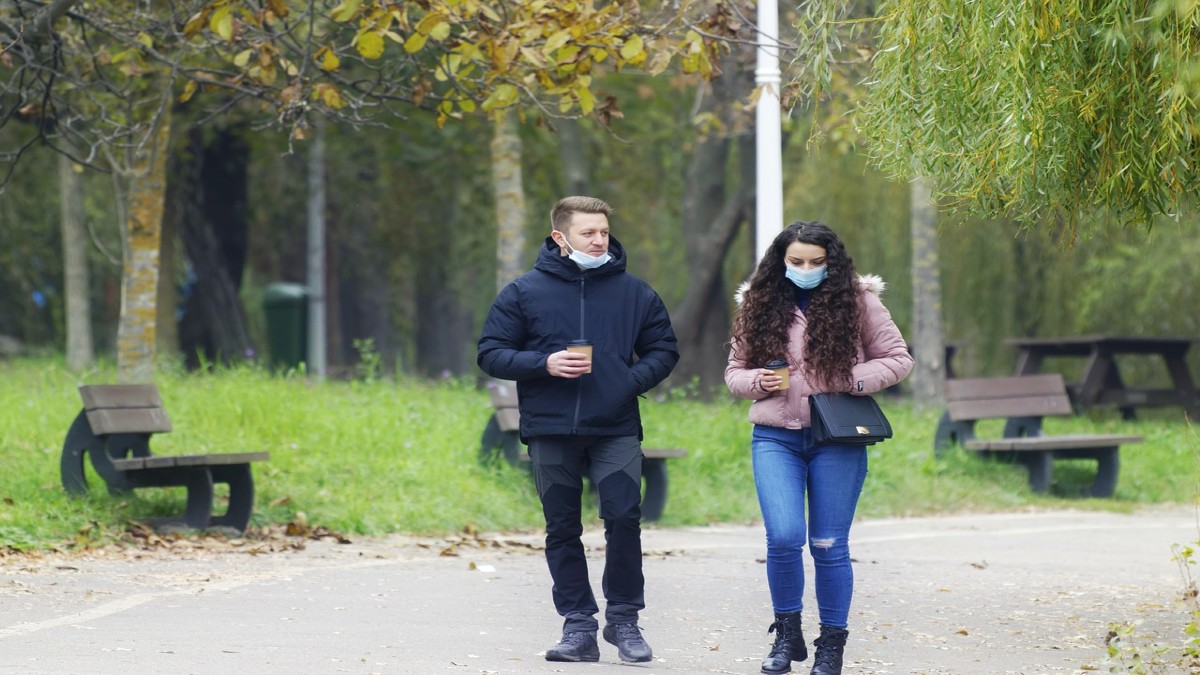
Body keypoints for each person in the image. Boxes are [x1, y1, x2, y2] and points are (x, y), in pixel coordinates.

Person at [477, 196, 679, 664]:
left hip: (615, 428)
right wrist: (543, 363)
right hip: (550, 429)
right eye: (588, 232)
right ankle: (578, 626)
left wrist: (627, 380)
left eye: (604, 231)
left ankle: (624, 621)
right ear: (560, 238)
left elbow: (663, 350)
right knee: (562, 528)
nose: (599, 239)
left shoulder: (635, 292)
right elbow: (490, 352)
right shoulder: (523, 292)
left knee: (625, 519)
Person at [724, 221, 913, 675]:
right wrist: (758, 381)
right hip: (776, 438)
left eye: (816, 262)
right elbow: (734, 371)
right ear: (781, 261)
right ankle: (786, 636)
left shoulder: (860, 301)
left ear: (832, 261)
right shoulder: (760, 302)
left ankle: (832, 643)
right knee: (784, 537)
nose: (806, 269)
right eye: (796, 262)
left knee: (829, 544)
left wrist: (853, 380)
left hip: (839, 438)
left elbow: (898, 358)